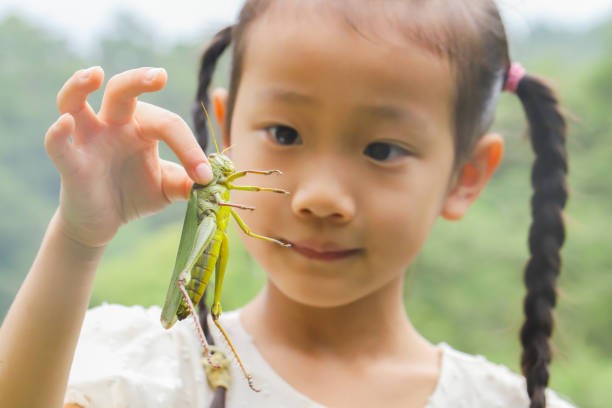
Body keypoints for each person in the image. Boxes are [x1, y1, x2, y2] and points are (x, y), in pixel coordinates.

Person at [0, 0, 575, 407]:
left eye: (382, 149)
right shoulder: (128, 368)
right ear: (225, 131)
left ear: (465, 176)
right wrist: (78, 242)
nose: (321, 197)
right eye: (284, 134)